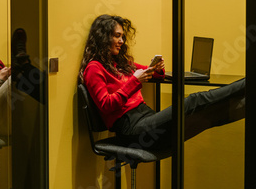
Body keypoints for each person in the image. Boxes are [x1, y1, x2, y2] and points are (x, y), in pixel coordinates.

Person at [79, 14, 245, 150]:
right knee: (193, 101)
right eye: (117, 36)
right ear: (103, 38)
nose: (122, 41)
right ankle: (247, 83)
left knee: (206, 116)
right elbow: (106, 105)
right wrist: (134, 81)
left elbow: (149, 73)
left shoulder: (120, 62)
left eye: (122, 36)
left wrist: (157, 69)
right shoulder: (94, 68)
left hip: (146, 116)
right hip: (132, 129)